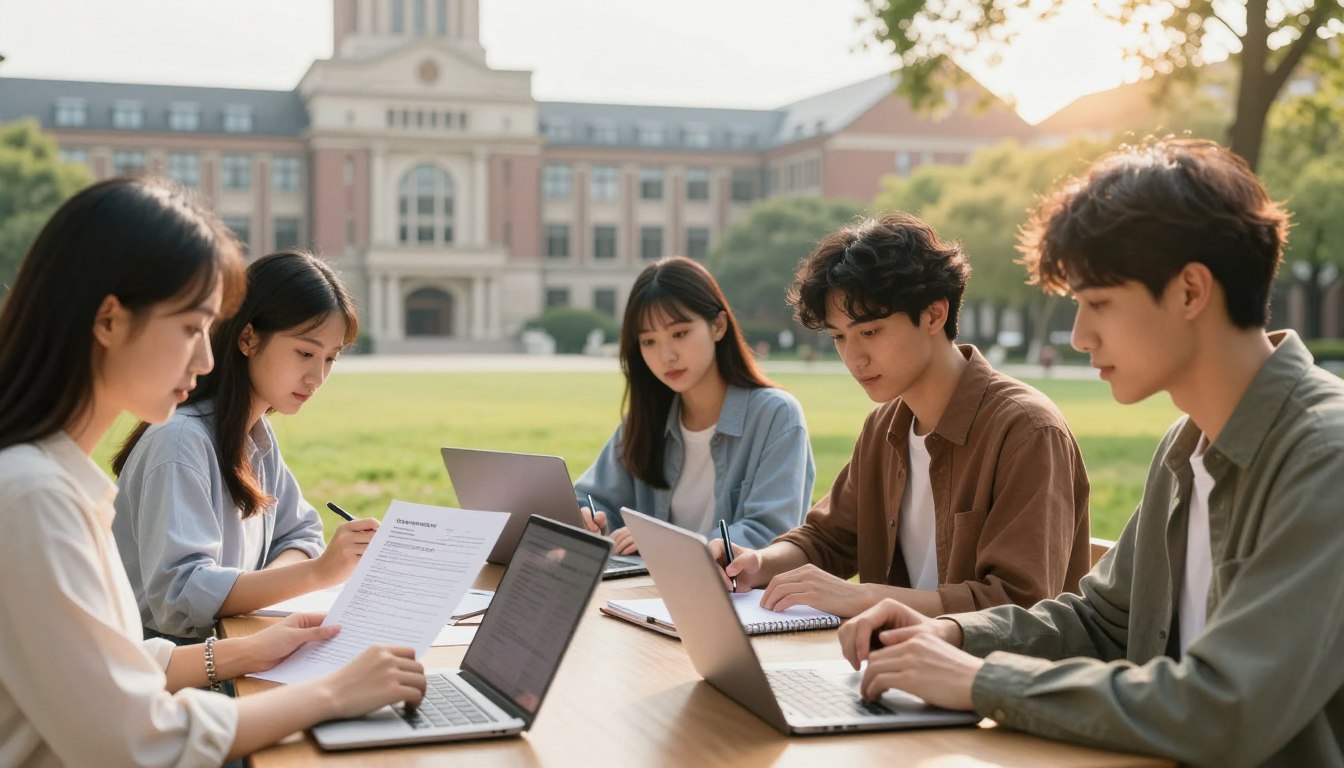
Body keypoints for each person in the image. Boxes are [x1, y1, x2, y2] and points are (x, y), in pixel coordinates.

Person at [838, 139, 1344, 767]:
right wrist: (951, 635)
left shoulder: (1326, 455)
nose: (1078, 335)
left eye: (1098, 303)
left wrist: (977, 682)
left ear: (1190, 291)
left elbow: (1225, 706)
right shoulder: (1186, 446)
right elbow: (1100, 623)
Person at [0, 177, 424, 766]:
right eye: (191, 328)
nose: (204, 358)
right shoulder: (32, 497)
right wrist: (332, 692)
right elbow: (139, 740)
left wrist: (249, 651)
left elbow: (116, 662)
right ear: (109, 321)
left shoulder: (50, 482)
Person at [713, 212, 1091, 618]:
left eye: (870, 332)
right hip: (896, 667)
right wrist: (757, 563)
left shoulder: (1026, 430)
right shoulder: (886, 426)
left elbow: (1019, 606)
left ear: (934, 315)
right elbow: (827, 538)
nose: (854, 358)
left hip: (993, 676)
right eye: (839, 337)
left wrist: (865, 598)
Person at [111, 249, 375, 642]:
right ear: (249, 338)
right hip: (169, 671)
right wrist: (315, 574)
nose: (317, 377)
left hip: (235, 644)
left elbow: (300, 535)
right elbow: (180, 595)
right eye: (305, 352)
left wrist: (256, 591)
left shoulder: (257, 439)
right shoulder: (180, 442)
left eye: (330, 359)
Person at [576, 256, 815, 554]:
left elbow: (769, 530)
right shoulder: (646, 419)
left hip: (736, 596)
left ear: (718, 325)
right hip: (642, 592)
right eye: (649, 341)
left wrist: (668, 544)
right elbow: (591, 499)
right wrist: (587, 518)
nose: (666, 356)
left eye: (679, 333)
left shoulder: (775, 415)